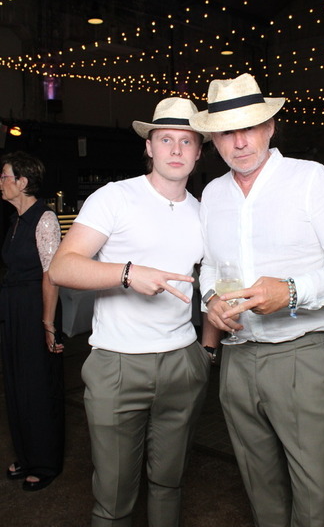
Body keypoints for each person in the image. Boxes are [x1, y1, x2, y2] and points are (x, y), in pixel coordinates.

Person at [189, 73, 324, 527]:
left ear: (270, 126)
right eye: (226, 132)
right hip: (237, 358)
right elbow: (210, 266)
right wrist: (211, 298)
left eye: (249, 127)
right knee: (258, 483)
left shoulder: (309, 179)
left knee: (312, 489)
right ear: (213, 139)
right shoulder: (213, 193)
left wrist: (290, 291)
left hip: (300, 356)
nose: (239, 142)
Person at [49, 97, 216, 527]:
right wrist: (127, 273)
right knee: (114, 497)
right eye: (165, 139)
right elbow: (62, 267)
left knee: (169, 484)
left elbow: (217, 283)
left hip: (183, 361)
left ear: (199, 152)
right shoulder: (115, 197)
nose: (176, 149)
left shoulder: (204, 213)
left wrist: (207, 351)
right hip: (118, 364)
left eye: (186, 141)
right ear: (149, 146)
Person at [0, 151, 64, 492]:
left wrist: (48, 324)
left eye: (4, 176)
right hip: (13, 309)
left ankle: (45, 461)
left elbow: (51, 276)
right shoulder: (16, 220)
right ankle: (26, 455)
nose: (1, 182)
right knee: (16, 383)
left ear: (22, 182)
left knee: (38, 386)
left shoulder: (45, 218)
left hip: (36, 309)